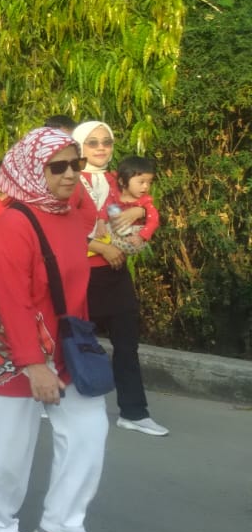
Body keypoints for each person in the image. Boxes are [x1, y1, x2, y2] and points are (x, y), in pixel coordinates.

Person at [0, 127, 113, 532]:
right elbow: (11, 299)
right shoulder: (15, 222)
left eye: (76, 164)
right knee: (12, 441)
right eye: (59, 166)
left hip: (64, 344)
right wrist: (33, 364)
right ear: (34, 169)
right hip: (14, 346)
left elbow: (76, 285)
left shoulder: (72, 215)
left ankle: (62, 524)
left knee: (90, 430)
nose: (71, 174)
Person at [72, 121, 167, 436]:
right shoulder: (67, 179)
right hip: (80, 274)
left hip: (115, 273)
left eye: (107, 142)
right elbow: (56, 228)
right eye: (93, 142)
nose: (101, 148)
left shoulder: (115, 180)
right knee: (73, 341)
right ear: (79, 145)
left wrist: (139, 215)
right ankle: (59, 400)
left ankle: (134, 411)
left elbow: (136, 204)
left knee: (127, 343)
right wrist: (100, 246)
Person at [110, 156, 160, 253]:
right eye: (141, 182)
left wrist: (141, 236)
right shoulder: (113, 191)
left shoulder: (145, 202)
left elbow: (154, 221)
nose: (146, 186)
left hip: (132, 238)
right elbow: (111, 176)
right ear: (122, 181)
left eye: (149, 182)